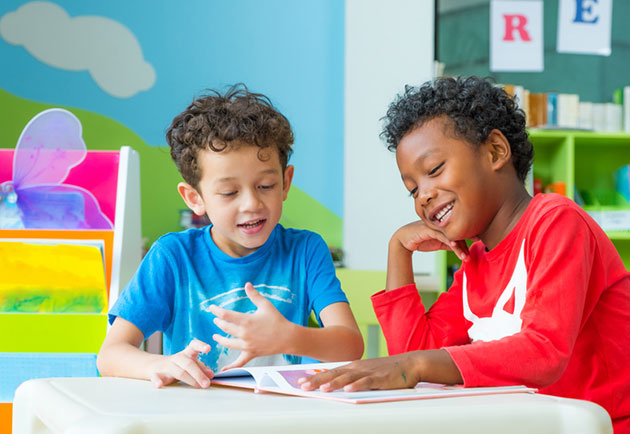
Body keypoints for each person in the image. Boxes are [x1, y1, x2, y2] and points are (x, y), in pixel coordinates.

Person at [299, 76, 630, 432]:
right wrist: (398, 251)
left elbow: (544, 350)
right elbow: (414, 351)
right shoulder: (476, 260)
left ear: (495, 152)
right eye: (412, 189)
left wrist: (414, 366)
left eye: (434, 170)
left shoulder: (557, 220)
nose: (423, 196)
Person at [97, 84, 364, 389]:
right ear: (194, 198)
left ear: (286, 182)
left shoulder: (305, 251)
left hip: (282, 417)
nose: (251, 203)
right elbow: (110, 355)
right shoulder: (172, 257)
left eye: (265, 185)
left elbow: (351, 346)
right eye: (229, 192)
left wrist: (288, 337)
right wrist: (160, 363)